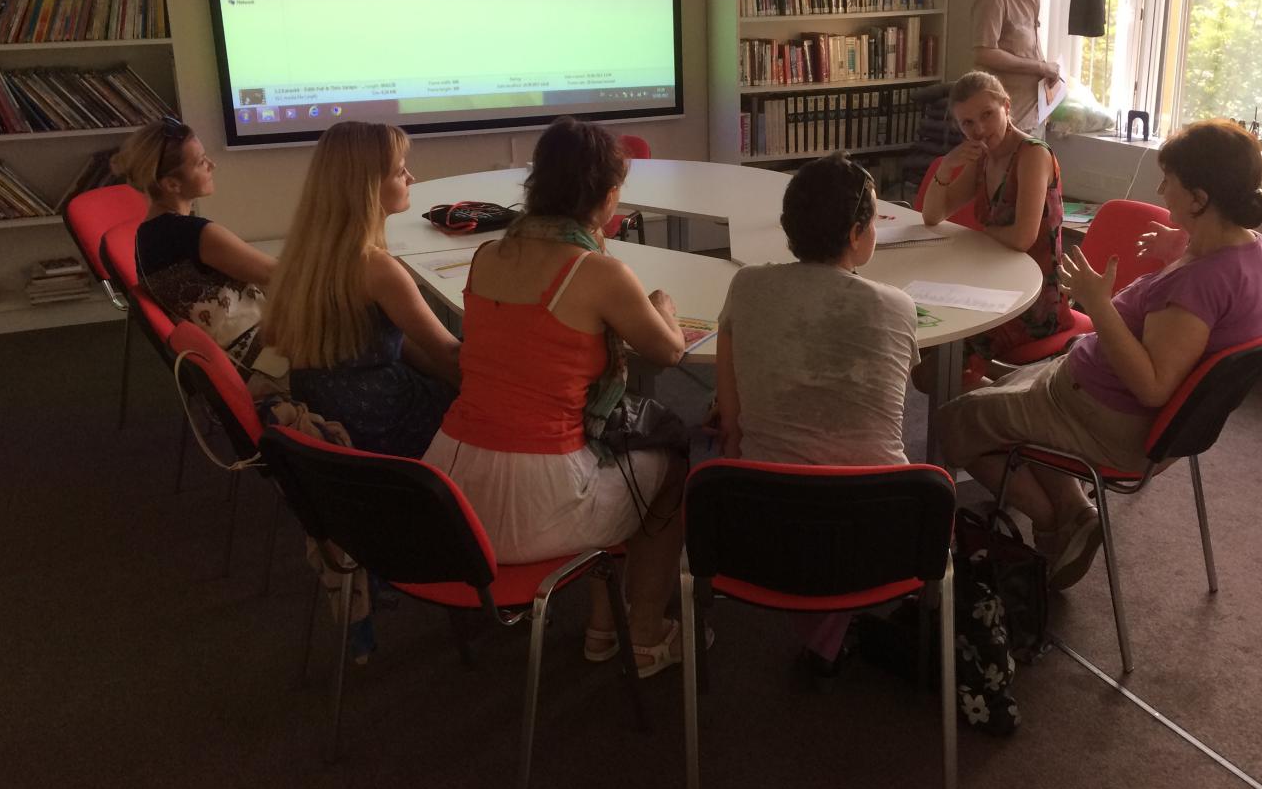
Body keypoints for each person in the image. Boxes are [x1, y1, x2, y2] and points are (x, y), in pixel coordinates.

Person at [936, 119, 1262, 590]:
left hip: (1104, 417)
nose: (1160, 190)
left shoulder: (1195, 287)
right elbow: (1216, 301)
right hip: (1103, 401)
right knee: (1005, 393)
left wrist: (1098, 304)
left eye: (1169, 181)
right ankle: (1076, 508)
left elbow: (1153, 385)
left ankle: (1057, 522)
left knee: (953, 423)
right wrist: (1181, 247)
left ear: (1199, 199)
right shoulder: (1258, 251)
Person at [421, 117, 691, 678]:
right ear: (609, 196)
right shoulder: (599, 272)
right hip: (535, 500)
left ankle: (602, 626)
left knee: (616, 451)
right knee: (669, 464)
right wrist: (661, 306)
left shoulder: (487, 254)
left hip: (448, 493)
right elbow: (667, 351)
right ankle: (643, 633)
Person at [716, 154, 920, 678]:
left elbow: (730, 421)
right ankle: (833, 630)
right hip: (881, 529)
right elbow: (888, 401)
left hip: (762, 524)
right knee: (849, 460)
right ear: (855, 234)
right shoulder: (897, 306)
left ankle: (825, 632)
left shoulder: (746, 286)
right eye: (874, 220)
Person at [265, 121, 459, 460]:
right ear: (368, 188)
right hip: (383, 420)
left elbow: (400, 340)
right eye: (400, 172)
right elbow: (449, 355)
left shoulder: (305, 254)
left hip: (333, 407)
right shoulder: (377, 268)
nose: (411, 178)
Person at [920, 71, 1071, 376]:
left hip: (1034, 298)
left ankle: (990, 394)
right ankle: (976, 390)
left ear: (1006, 106)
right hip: (990, 282)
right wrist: (947, 165)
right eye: (967, 123)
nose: (979, 129)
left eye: (987, 115)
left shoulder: (1032, 154)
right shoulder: (983, 157)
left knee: (935, 367)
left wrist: (982, 233)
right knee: (922, 337)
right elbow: (933, 215)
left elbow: (1022, 238)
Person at [111, 117, 277, 375]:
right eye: (201, 162)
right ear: (172, 184)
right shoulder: (194, 234)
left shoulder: (150, 234)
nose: (212, 165)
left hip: (232, 360)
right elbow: (279, 275)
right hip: (264, 361)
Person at [969, 0, 1062, 133]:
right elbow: (984, 53)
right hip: (1004, 123)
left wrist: (1046, 73)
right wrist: (1040, 67)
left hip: (1033, 116)